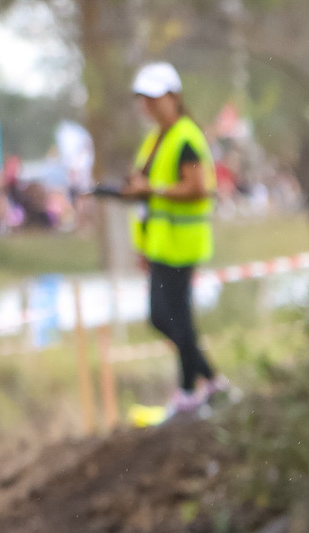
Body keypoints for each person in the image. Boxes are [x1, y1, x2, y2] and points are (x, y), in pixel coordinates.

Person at [121, 61, 219, 418]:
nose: (148, 105)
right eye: (143, 99)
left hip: (181, 243)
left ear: (174, 97)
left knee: (174, 318)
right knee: (166, 318)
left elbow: (197, 187)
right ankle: (207, 381)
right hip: (161, 243)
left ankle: (190, 388)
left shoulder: (185, 137)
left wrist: (153, 189)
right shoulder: (155, 139)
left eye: (154, 98)